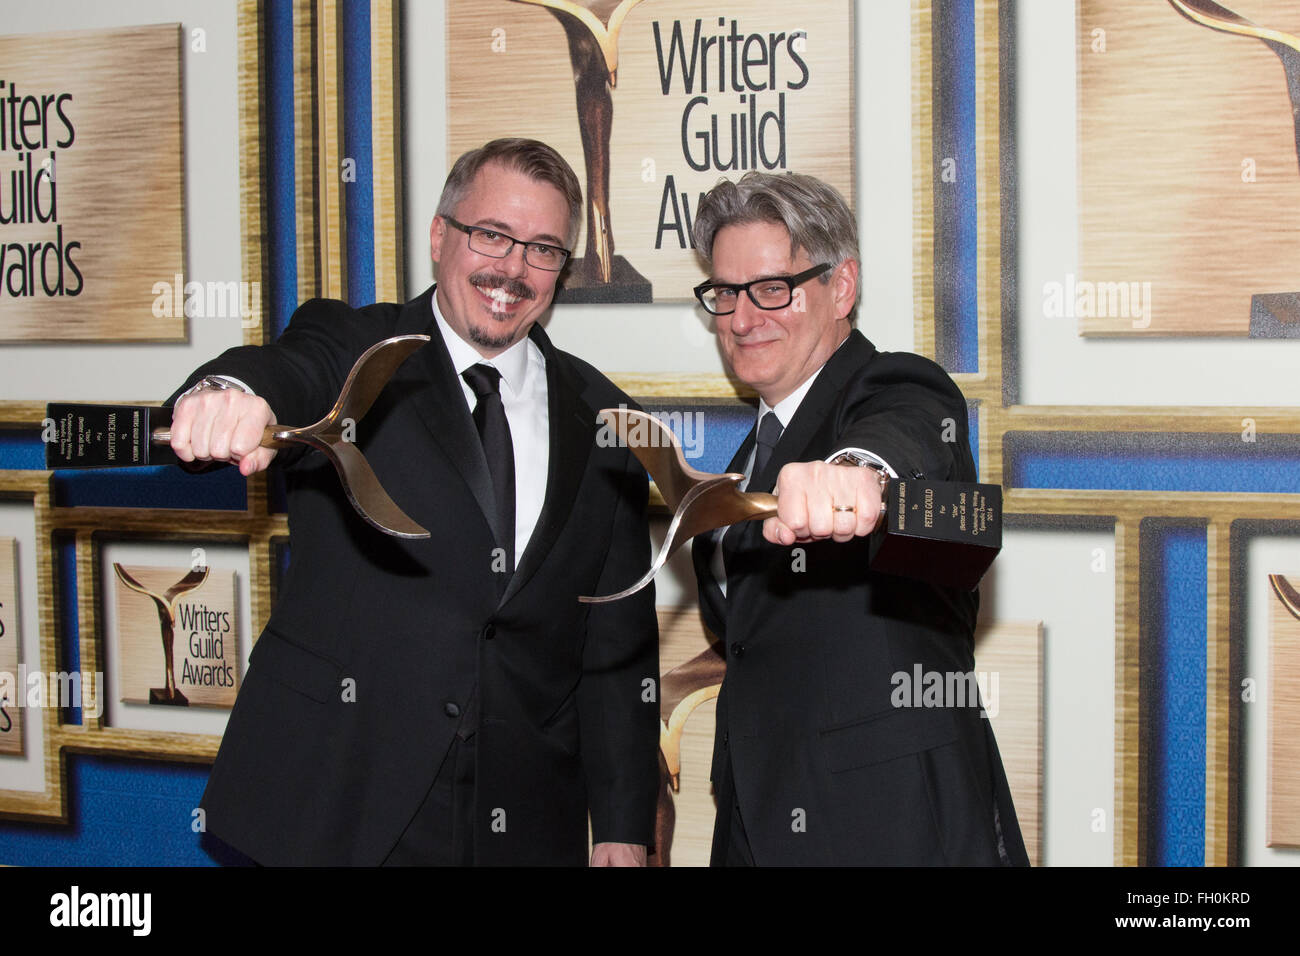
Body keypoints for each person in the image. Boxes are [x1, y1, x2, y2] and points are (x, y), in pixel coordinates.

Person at [170, 138, 659, 866]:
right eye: (492, 235)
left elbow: (616, 641)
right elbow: (289, 367)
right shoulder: (355, 349)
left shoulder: (607, 415)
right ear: (439, 235)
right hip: (338, 801)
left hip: (521, 821)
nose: (513, 269)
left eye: (544, 249)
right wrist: (233, 395)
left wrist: (622, 824)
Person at [689, 170, 1028, 866]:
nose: (743, 317)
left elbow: (900, 442)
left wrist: (855, 477)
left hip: (892, 824)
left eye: (772, 288)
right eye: (725, 293)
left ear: (841, 286)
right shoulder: (751, 453)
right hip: (755, 823)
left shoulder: (895, 385)